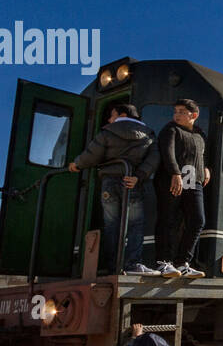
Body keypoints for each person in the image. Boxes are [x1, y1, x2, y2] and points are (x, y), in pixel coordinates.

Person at [68, 103, 160, 275]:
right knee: (135, 224)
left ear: (122, 115)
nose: (109, 119)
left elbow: (92, 155)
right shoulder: (149, 135)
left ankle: (113, 267)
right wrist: (138, 176)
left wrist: (77, 164)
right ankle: (133, 264)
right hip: (131, 182)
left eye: (111, 115)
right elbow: (153, 159)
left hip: (109, 183)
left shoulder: (108, 132)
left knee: (112, 225)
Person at [155, 99, 210, 277]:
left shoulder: (200, 134)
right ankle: (163, 262)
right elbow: (167, 153)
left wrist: (206, 168)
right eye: (175, 111)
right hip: (171, 180)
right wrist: (175, 173)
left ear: (193, 115)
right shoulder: (170, 130)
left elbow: (201, 155)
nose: (176, 115)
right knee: (168, 219)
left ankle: (182, 262)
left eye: (181, 112)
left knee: (198, 220)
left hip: (194, 181)